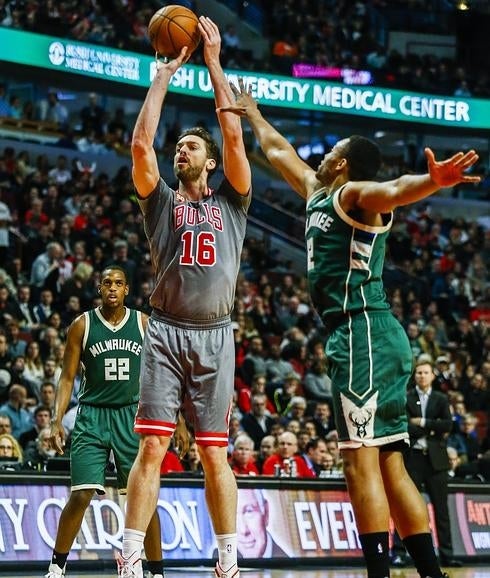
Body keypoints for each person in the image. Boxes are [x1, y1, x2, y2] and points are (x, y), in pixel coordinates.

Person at [220, 79, 480, 578]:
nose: (323, 154)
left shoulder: (355, 194)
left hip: (362, 333)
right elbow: (278, 150)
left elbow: (394, 190)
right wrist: (252, 114)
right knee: (388, 463)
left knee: (360, 462)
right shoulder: (319, 193)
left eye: (332, 150)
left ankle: (380, 574)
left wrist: (433, 182)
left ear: (341, 161)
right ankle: (430, 574)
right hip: (370, 336)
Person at [119, 16, 251, 578]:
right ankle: (127, 556)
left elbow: (236, 134)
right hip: (166, 331)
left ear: (211, 161)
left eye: (191, 146)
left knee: (214, 452)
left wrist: (214, 63)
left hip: (217, 336)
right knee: (150, 449)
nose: (182, 151)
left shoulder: (233, 203)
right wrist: (166, 73)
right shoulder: (160, 202)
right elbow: (140, 143)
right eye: (181, 147)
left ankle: (227, 557)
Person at [45, 266, 164, 578]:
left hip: (132, 415)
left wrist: (173, 418)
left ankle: (157, 570)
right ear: (99, 288)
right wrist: (57, 419)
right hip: (92, 415)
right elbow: (67, 376)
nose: (112, 288)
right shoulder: (81, 325)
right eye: (107, 283)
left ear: (127, 289)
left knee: (144, 496)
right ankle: (56, 566)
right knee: (81, 493)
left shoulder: (142, 323)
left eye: (119, 283)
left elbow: (161, 374)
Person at [405, 358, 461, 567]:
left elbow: (448, 425)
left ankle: (447, 554)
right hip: (414, 459)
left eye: (425, 372)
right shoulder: (407, 397)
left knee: (441, 510)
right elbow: (405, 426)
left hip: (437, 461)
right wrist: (432, 428)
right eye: (418, 372)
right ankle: (402, 553)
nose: (422, 376)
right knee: (407, 507)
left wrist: (423, 423)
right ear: (415, 376)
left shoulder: (441, 398)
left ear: (432, 375)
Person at [236, 488, 287, 559]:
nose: (243, 530)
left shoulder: (289, 564)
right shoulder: (221, 558)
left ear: (266, 512)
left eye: (249, 511)